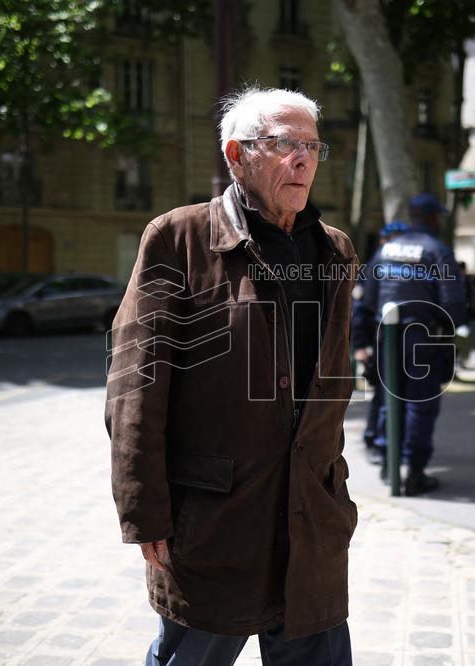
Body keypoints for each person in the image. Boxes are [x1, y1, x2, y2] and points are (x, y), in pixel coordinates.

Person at [105, 87, 357, 665]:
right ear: (237, 154)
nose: (303, 159)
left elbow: (330, 387)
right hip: (217, 523)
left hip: (311, 523)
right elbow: (135, 384)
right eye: (284, 144)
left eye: (312, 146)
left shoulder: (335, 251)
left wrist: (331, 488)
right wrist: (144, 506)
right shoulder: (179, 238)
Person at [352, 193, 466, 496]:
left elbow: (366, 299)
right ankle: (415, 472)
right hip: (422, 339)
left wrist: (362, 340)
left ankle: (389, 465)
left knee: (391, 401)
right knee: (420, 405)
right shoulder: (437, 250)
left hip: (386, 338)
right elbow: (453, 302)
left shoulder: (386, 250)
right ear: (431, 217)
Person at [353, 220, 407, 466]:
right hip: (378, 341)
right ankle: (374, 438)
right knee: (381, 395)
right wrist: (361, 346)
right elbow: (361, 310)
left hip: (396, 342)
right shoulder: (375, 266)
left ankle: (390, 441)